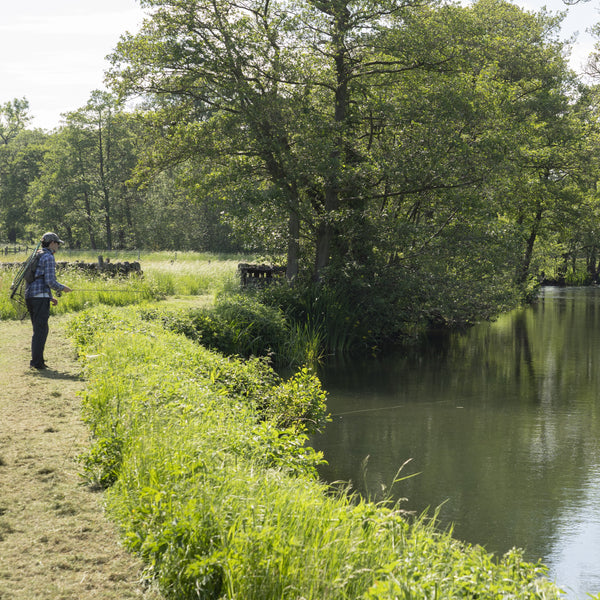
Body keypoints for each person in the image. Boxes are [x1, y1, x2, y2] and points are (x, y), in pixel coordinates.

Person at [25, 232, 73, 370]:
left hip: (30, 296)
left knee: (38, 330)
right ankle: (37, 363)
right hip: (40, 299)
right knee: (41, 330)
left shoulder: (37, 255)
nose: (58, 246)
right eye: (57, 243)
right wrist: (63, 288)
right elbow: (50, 281)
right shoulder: (48, 257)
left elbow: (35, 279)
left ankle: (38, 361)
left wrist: (50, 296)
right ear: (52, 243)